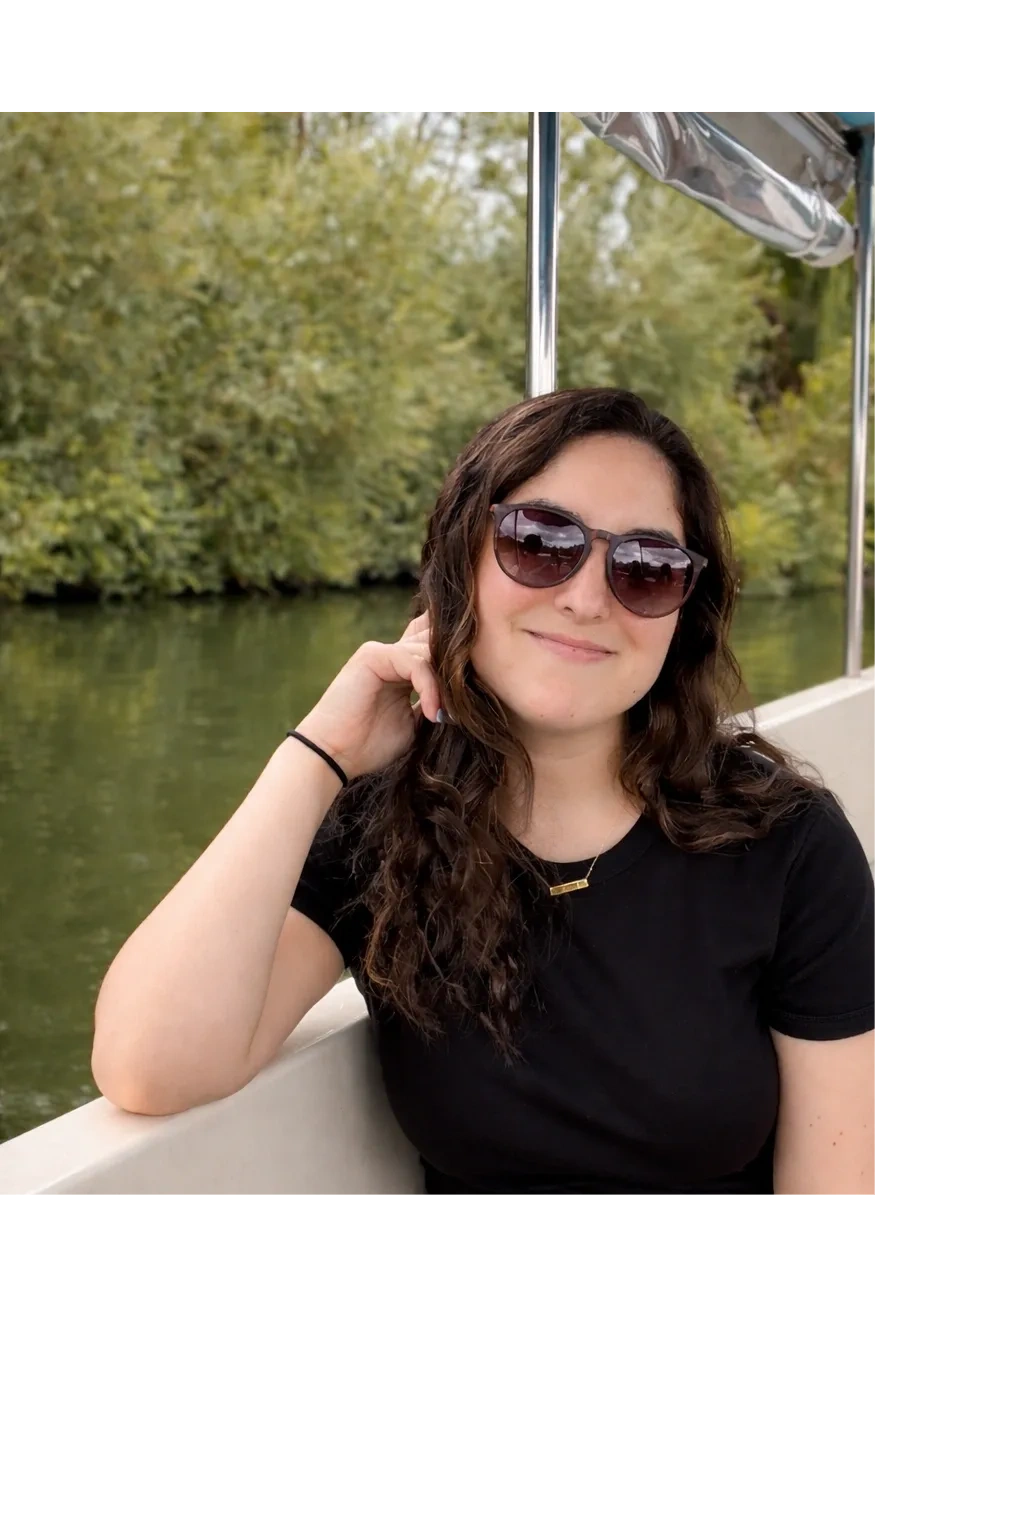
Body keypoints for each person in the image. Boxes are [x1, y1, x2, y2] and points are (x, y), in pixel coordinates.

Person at [92, 387, 878, 1200]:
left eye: (645, 568)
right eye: (541, 542)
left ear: (686, 611)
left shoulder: (784, 845)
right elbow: (147, 1066)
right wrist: (321, 752)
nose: (584, 597)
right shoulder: (387, 826)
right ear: (461, 559)